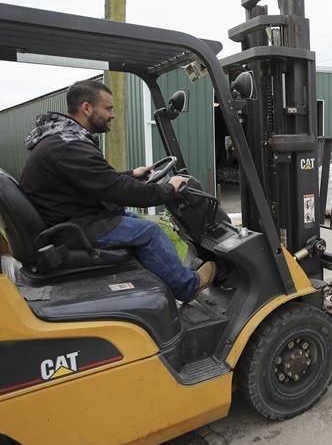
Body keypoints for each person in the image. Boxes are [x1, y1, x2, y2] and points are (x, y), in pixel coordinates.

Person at [20, 79, 215, 304]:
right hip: (74, 227)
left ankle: (161, 280)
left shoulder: (63, 140)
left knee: (130, 219)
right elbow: (116, 190)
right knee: (149, 232)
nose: (112, 114)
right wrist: (168, 189)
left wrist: (132, 174)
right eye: (108, 108)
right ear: (87, 108)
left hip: (73, 218)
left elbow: (96, 179)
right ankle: (188, 286)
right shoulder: (69, 146)